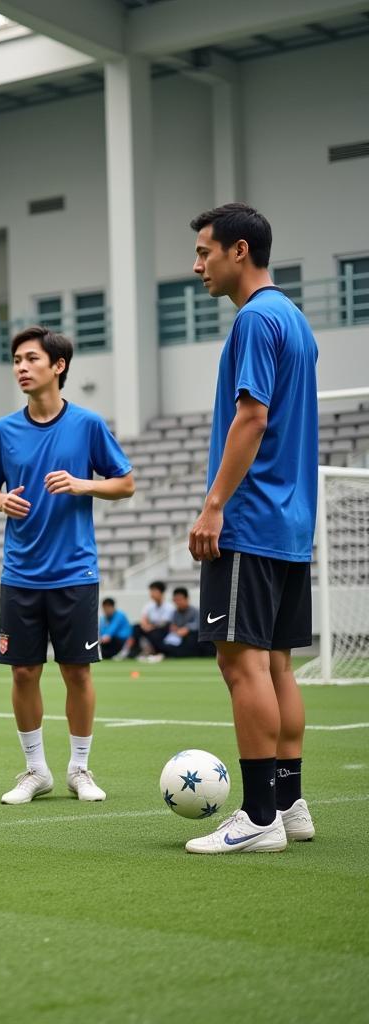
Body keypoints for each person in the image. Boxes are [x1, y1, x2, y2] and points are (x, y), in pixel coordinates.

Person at [186, 202, 318, 854]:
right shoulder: (295, 321)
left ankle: (259, 817)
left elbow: (252, 418)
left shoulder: (255, 321)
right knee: (277, 666)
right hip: (292, 525)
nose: (197, 264)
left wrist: (215, 504)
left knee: (243, 668)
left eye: (205, 251)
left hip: (252, 520)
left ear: (240, 250)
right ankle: (291, 804)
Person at [0, 326, 134, 807]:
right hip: (20, 575)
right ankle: (35, 770)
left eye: (30, 359)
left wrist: (83, 485)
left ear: (58, 366)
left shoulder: (87, 425)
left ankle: (80, 768)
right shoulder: (3, 430)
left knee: (77, 674)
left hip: (74, 573)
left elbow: (125, 483)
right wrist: (0, 500)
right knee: (23, 673)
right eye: (16, 360)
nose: (21, 368)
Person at [146, 586, 211, 660]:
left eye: (180, 599)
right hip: (178, 637)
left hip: (192, 638)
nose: (178, 602)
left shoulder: (195, 611)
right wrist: (174, 628)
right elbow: (172, 626)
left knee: (192, 638)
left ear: (187, 599)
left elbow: (199, 624)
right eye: (176, 600)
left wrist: (187, 628)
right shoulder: (175, 613)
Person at [114, 581, 174, 660]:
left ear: (161, 592)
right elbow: (143, 618)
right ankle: (134, 651)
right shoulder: (149, 605)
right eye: (151, 591)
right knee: (136, 627)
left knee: (157, 632)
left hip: (161, 631)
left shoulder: (169, 607)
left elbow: (164, 623)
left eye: (154, 591)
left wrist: (150, 627)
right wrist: (145, 626)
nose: (152, 594)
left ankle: (157, 652)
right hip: (149, 628)